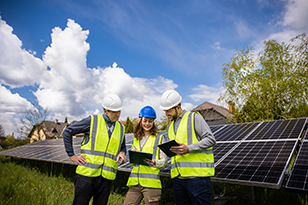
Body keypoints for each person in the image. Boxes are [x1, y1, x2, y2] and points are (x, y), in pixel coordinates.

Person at [63, 93, 126, 205]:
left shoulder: (121, 128)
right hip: (86, 176)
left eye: (119, 111)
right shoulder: (92, 121)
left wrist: (122, 153)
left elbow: (123, 146)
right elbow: (67, 132)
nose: (118, 114)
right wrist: (71, 155)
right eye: (114, 111)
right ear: (105, 111)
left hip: (107, 178)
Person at [159, 90, 216, 205]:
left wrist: (188, 149)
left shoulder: (193, 118)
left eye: (168, 110)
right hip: (178, 179)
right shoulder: (169, 127)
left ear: (178, 107)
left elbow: (211, 139)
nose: (166, 114)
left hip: (197, 178)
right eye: (165, 111)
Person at [123, 106, 167, 205]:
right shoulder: (136, 138)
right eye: (145, 121)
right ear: (140, 120)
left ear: (153, 122)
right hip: (135, 183)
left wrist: (155, 162)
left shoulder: (159, 138)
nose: (147, 124)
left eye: (150, 121)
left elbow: (164, 162)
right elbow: (132, 163)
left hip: (151, 185)